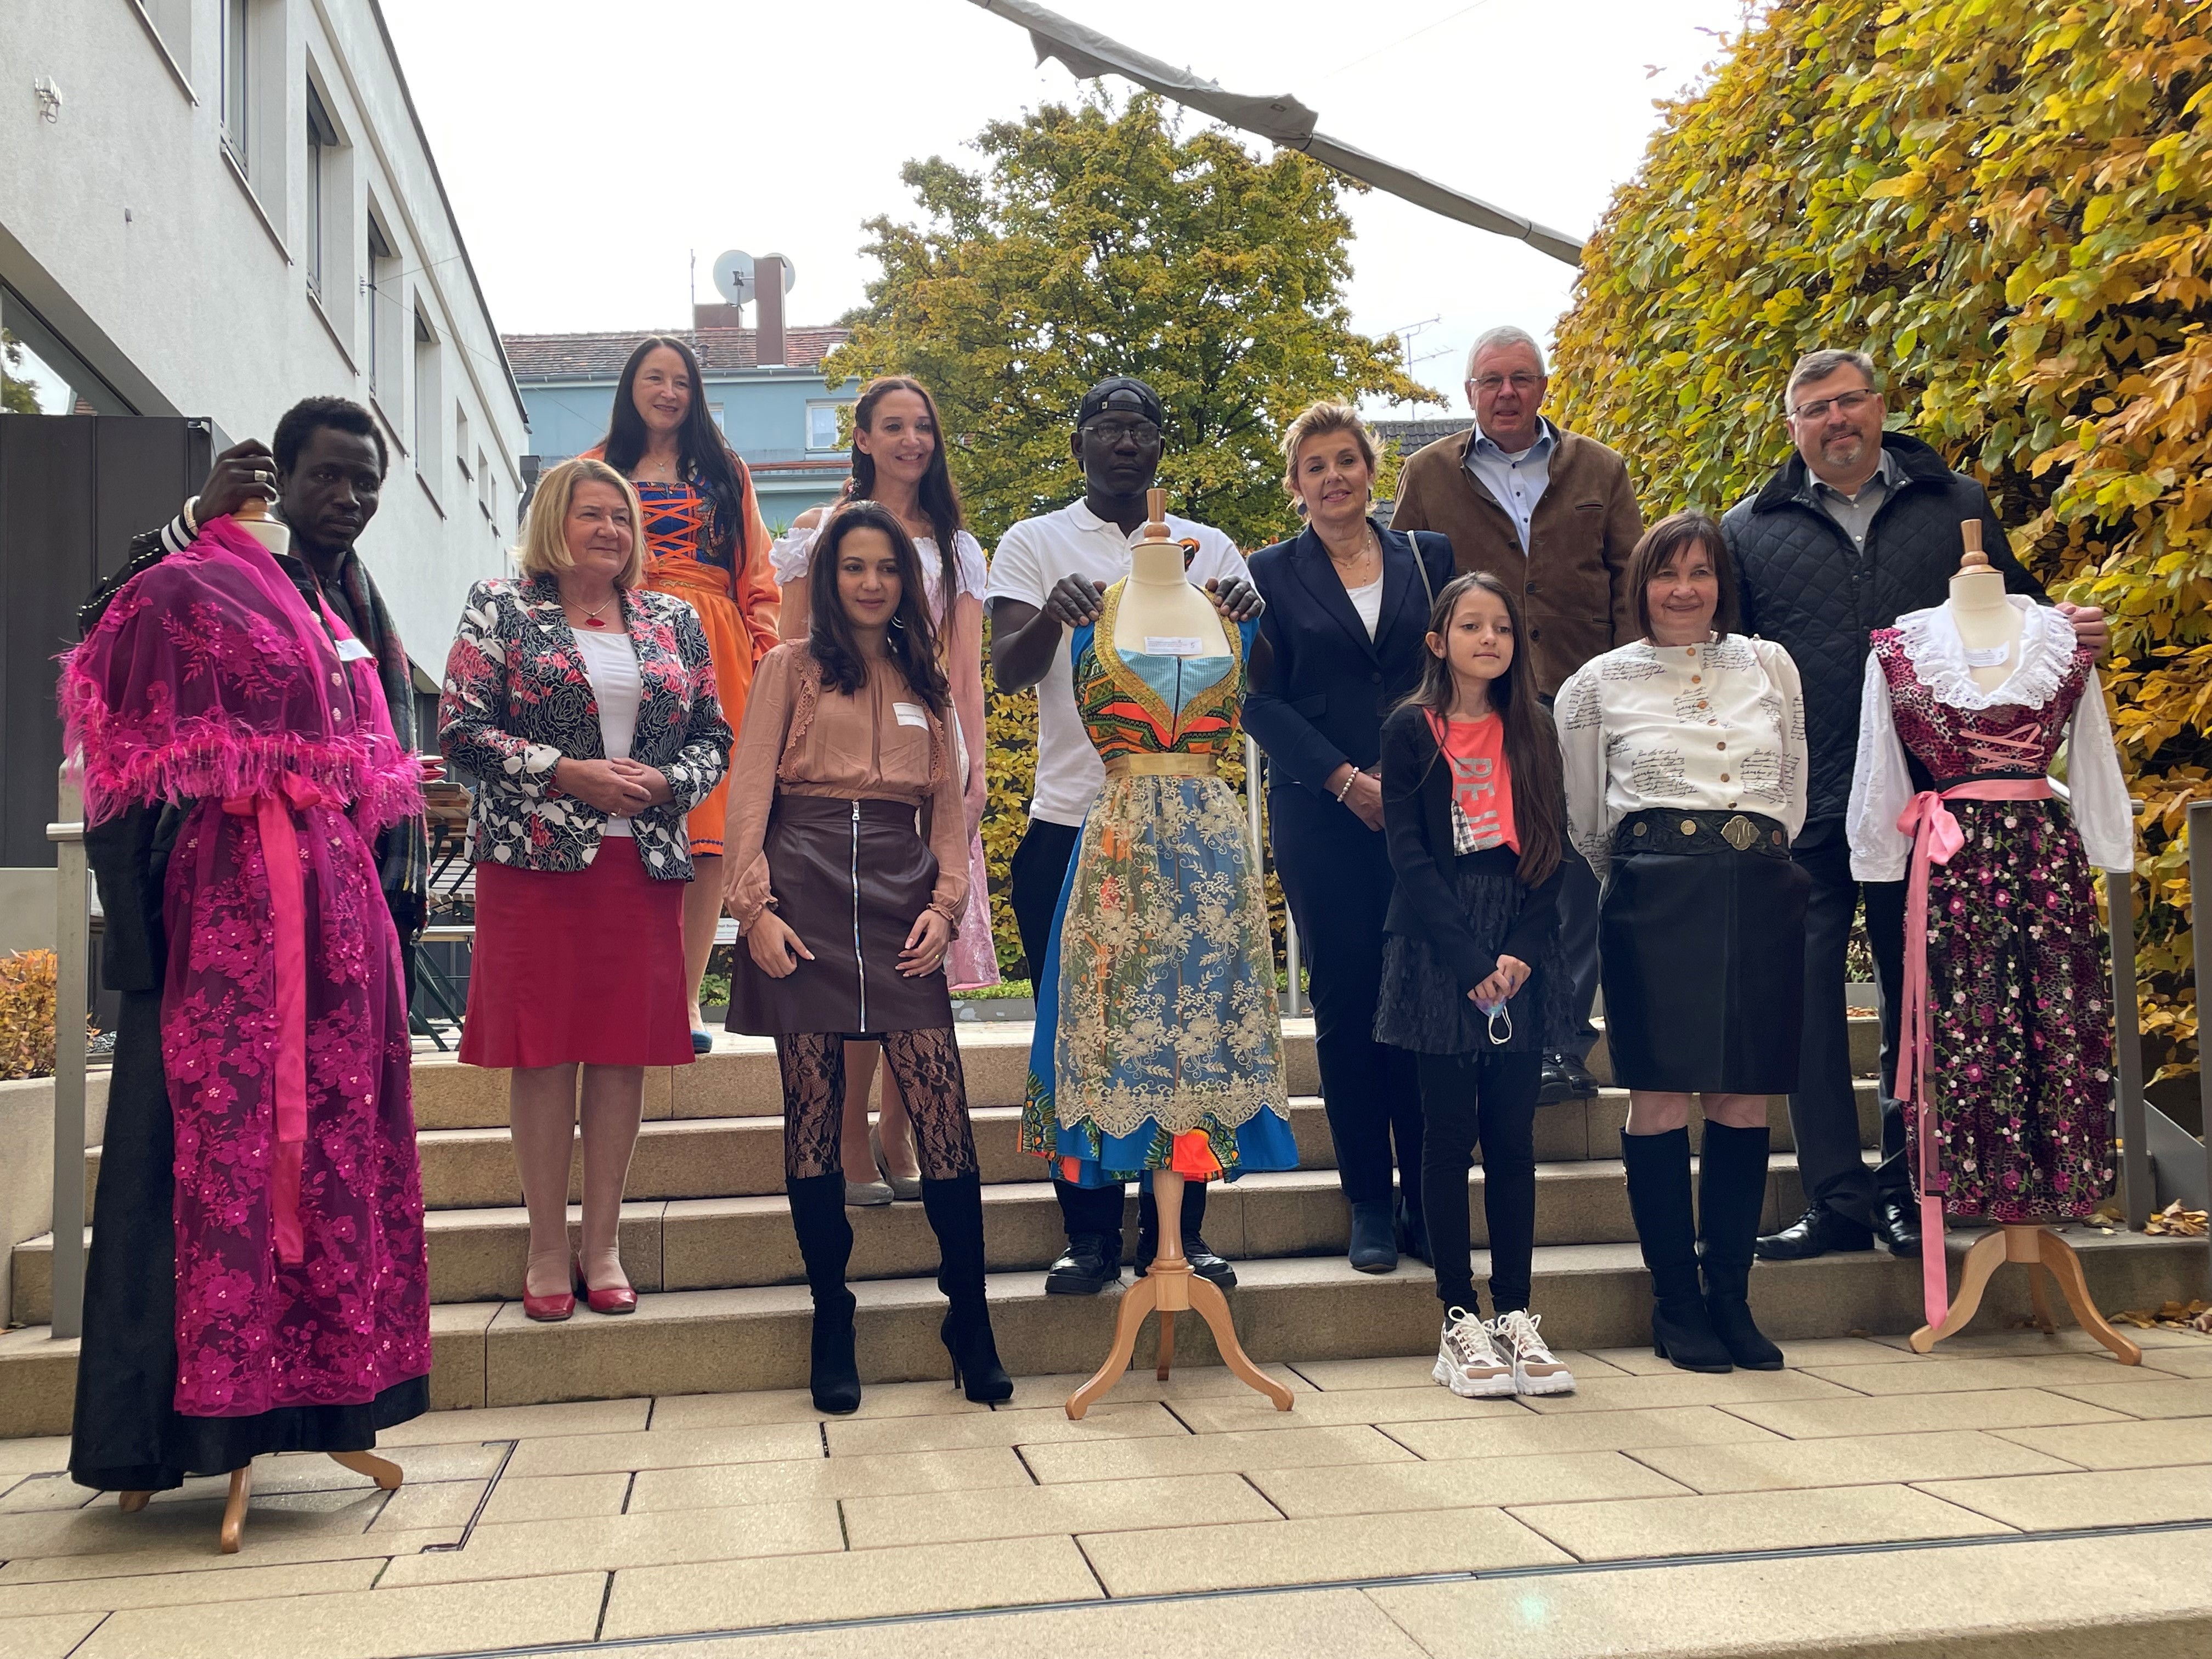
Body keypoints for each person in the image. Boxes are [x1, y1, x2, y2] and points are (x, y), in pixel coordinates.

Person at [63, 404, 431, 1502]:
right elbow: (101, 637)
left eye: (368, 484)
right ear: (285, 474)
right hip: (218, 924)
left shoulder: (357, 604)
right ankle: (183, 1433)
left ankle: (325, 1401)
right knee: (209, 1172)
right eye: (332, 478)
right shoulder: (201, 573)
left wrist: (389, 912)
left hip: (343, 923)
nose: (352, 500)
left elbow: (389, 757)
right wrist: (185, 523)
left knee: (334, 1169)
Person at [1723, 348, 2108, 1264]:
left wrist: (2073, 625)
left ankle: (1910, 1192)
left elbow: (2019, 621)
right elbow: (1736, 675)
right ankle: (1836, 1200)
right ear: (1792, 428)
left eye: (1850, 401)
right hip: (1809, 806)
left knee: (1921, 1005)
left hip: (1935, 809)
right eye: (1814, 409)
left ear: (1881, 406)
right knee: (1808, 1008)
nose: (1836, 420)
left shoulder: (1957, 505)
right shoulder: (1747, 529)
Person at [723, 501, 1009, 1414]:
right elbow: (749, 794)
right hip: (802, 892)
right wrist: (752, 911)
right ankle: (831, 1316)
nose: (874, 582)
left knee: (944, 1112)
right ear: (832, 577)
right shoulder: (789, 667)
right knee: (812, 1111)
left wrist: (946, 903)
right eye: (855, 566)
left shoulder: (927, 681)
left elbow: (952, 815)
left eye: (888, 567)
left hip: (899, 897)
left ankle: (970, 1316)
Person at [985, 375, 1262, 1294]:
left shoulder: (1211, 548)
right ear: (1079, 445)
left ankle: (1183, 1234)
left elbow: (1252, 681)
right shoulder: (1034, 543)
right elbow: (1009, 672)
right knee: (1081, 1032)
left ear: (1159, 446)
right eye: (1105, 426)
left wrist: (1252, 614)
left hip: (1185, 835)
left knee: (1190, 1024)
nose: (1124, 442)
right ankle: (1090, 1236)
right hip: (1072, 824)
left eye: (1140, 428)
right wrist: (1050, 619)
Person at [439, 458, 730, 1319]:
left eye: (620, 517)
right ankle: (543, 1246)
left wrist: (667, 784)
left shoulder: (673, 617)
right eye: (588, 513)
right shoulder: (501, 606)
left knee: (618, 1054)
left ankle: (602, 1243)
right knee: (542, 1053)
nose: (608, 529)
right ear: (551, 524)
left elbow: (714, 735)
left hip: (639, 863)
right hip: (531, 863)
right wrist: (570, 773)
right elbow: (462, 731)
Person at [1558, 512, 1809, 1373]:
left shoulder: (1771, 665)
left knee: (1743, 1099)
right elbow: (1586, 818)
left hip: (1761, 890)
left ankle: (1732, 1301)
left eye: (1702, 572)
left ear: (1720, 583)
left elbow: (1794, 783)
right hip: (1654, 894)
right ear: (1641, 586)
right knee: (1662, 1097)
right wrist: (1650, 868)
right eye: (1668, 574)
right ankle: (1677, 1305)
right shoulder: (1596, 684)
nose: (1685, 589)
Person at [1391, 326, 1644, 1109]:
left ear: (1543, 387)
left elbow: (1631, 581)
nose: (1507, 392)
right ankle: (1482, 1018)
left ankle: (1562, 1041)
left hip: (1579, 699)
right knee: (1491, 869)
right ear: (1469, 393)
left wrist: (1630, 690)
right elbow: (1407, 586)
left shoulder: (1600, 468)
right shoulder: (1427, 474)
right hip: (1478, 704)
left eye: (1522, 379)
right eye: (1491, 380)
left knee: (1573, 873)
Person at [771, 377, 996, 1207]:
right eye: (893, 426)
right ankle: (845, 1146)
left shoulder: (959, 545)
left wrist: (971, 777)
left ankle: (900, 1134)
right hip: (831, 776)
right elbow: (790, 657)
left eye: (924, 426)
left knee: (916, 961)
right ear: (860, 438)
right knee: (848, 960)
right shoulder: (818, 533)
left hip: (929, 755)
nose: (912, 440)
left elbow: (964, 673)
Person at [1245, 402, 1455, 1272]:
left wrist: (1410, 776)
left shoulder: (1428, 555)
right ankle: (1368, 1198)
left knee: (1424, 989)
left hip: (1429, 797)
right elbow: (1258, 700)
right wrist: (1344, 780)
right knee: (1349, 996)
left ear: (1373, 471)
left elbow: (1463, 664)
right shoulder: (1267, 573)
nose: (1334, 477)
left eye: (1347, 460)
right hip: (1321, 809)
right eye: (1315, 466)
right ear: (1296, 486)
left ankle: (1425, 1195)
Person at [1373, 573, 1575, 1397]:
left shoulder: (1533, 725)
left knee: (1515, 1140)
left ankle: (1517, 1312)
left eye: (1501, 627)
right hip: (1436, 942)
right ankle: (1459, 1318)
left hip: (1520, 932)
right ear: (1439, 641)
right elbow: (1410, 856)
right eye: (1470, 626)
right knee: (1447, 1137)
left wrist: (1521, 951)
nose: (1488, 639)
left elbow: (1553, 844)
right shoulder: (1409, 728)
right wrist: (1468, 963)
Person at [585, 336, 781, 1049]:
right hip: (615, 636)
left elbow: (757, 576)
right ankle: (619, 993)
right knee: (618, 818)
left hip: (717, 645)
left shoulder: (726, 471)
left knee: (706, 832)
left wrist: (767, 665)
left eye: (681, 380)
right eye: (653, 377)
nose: (668, 391)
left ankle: (685, 1000)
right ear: (631, 387)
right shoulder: (590, 469)